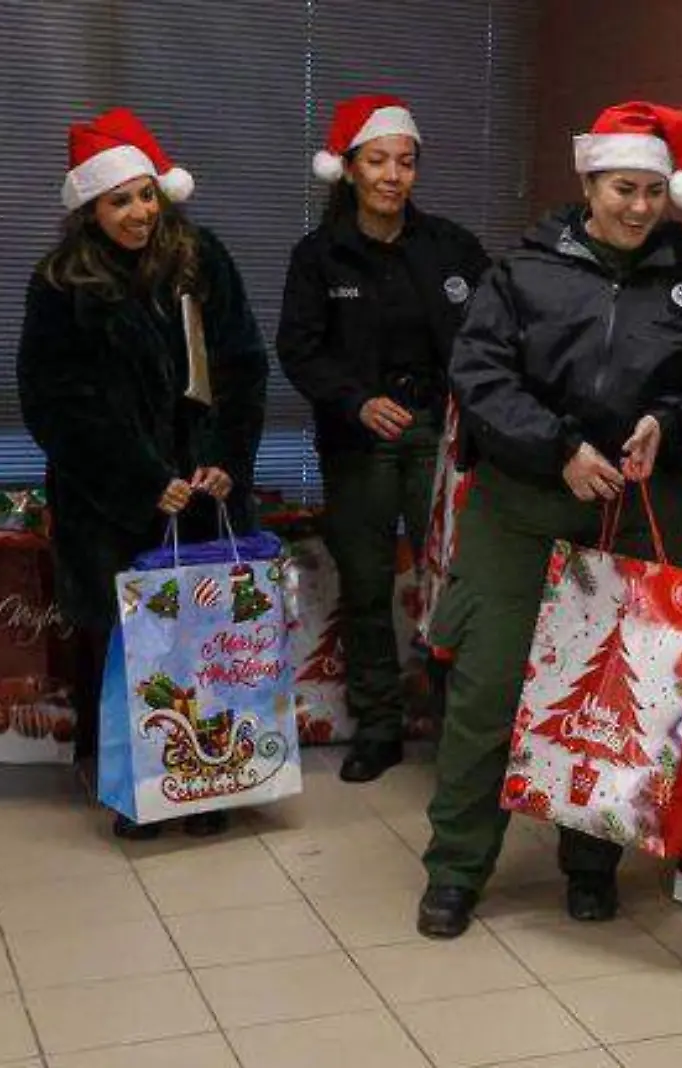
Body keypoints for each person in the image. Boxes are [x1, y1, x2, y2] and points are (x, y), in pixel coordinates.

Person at [416, 101, 682, 938]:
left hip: (638, 518)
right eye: (621, 189)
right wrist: (559, 447)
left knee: (611, 703)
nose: (639, 207)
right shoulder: (521, 274)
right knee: (489, 697)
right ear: (588, 183)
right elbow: (481, 378)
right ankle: (458, 868)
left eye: (652, 191)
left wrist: (669, 426)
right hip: (523, 515)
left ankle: (591, 862)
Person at [17, 107, 268, 840]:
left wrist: (225, 460)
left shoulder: (203, 260)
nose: (137, 213)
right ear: (91, 209)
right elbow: (53, 404)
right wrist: (137, 478)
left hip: (203, 497)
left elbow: (242, 367)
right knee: (131, 652)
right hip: (112, 508)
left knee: (204, 644)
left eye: (146, 195)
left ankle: (206, 784)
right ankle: (139, 790)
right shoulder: (60, 284)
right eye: (119, 200)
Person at [278, 94, 490, 784]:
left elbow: (493, 337)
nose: (393, 175)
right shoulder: (318, 257)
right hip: (357, 443)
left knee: (454, 585)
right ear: (349, 170)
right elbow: (300, 351)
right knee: (368, 585)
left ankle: (459, 726)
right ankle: (378, 726)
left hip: (441, 440)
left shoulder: (452, 248)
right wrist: (356, 400)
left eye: (405, 162)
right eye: (377, 161)